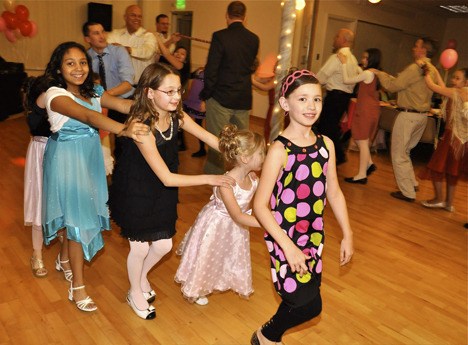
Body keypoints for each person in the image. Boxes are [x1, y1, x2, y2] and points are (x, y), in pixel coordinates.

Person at [108, 63, 235, 320]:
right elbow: (166, 177)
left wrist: (243, 154)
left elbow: (214, 141)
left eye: (178, 90)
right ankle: (135, 291)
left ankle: (141, 277)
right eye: (169, 91)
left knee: (164, 245)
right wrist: (212, 178)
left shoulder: (177, 116)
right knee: (140, 248)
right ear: (149, 93)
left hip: (161, 190)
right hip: (136, 189)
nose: (177, 97)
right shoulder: (141, 125)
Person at [40, 41, 148, 312]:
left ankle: (64, 260)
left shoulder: (94, 90)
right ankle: (77, 287)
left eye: (82, 62)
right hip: (66, 159)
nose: (78, 68)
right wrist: (125, 131)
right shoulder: (55, 94)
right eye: (70, 63)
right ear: (59, 67)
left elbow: (124, 105)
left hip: (89, 158)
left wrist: (156, 103)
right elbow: (89, 117)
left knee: (78, 212)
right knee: (77, 220)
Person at [251, 69, 354, 344]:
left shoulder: (326, 145)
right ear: (285, 104)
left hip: (313, 234)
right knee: (310, 304)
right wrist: (287, 246)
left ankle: (267, 337)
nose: (311, 106)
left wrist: (348, 233)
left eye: (317, 100)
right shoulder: (279, 150)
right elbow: (260, 206)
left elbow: (334, 191)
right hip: (284, 236)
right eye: (303, 99)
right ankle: (266, 335)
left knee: (305, 294)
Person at [175, 124, 265, 306]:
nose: (265, 157)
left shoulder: (253, 178)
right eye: (262, 153)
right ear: (246, 158)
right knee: (207, 255)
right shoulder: (227, 184)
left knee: (225, 255)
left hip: (235, 228)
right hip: (217, 225)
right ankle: (196, 288)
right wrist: (269, 224)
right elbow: (238, 216)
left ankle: (218, 279)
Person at [371, 37, 437, 202]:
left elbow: (394, 86)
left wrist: (379, 73)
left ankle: (407, 192)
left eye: (416, 46)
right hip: (422, 117)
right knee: (405, 151)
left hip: (409, 116)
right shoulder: (433, 70)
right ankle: (412, 183)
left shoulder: (416, 68)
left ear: (423, 51)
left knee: (399, 153)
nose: (413, 49)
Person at [200, 1, 259, 174]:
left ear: (227, 16)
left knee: (217, 142)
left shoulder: (220, 36)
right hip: (243, 97)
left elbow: (211, 69)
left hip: (220, 97)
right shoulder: (254, 39)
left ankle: (215, 179)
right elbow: (250, 66)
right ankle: (239, 177)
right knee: (242, 144)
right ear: (244, 17)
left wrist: (206, 95)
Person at [83, 21, 135, 158]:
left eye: (102, 31)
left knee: (124, 144)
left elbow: (128, 83)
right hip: (98, 105)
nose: (102, 36)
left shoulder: (119, 51)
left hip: (122, 102)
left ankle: (120, 175)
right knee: (98, 143)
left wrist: (104, 96)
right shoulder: (85, 58)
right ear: (87, 39)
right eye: (96, 33)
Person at [418, 67, 468, 212]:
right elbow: (442, 86)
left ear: (466, 81)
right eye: (453, 77)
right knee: (452, 171)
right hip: (461, 140)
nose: (453, 80)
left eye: (457, 78)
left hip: (451, 138)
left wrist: (426, 71)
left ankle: (439, 199)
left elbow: (434, 87)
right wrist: (435, 69)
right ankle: (448, 203)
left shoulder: (458, 92)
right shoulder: (462, 92)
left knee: (436, 167)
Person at [316, 28, 360, 165]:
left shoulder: (337, 57)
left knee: (325, 127)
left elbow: (321, 77)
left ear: (344, 40)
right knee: (330, 127)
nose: (334, 39)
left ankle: (335, 156)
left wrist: (308, 83)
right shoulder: (353, 59)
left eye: (337, 36)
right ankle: (335, 156)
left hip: (335, 97)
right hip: (343, 99)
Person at [22, 76, 52, 278]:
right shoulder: (40, 104)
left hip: (61, 152)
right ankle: (37, 254)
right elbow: (35, 126)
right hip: (41, 152)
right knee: (39, 201)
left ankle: (65, 256)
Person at [338, 48, 382, 184]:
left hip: (365, 110)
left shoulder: (368, 73)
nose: (363, 60)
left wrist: (344, 63)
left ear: (371, 59)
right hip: (373, 110)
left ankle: (361, 175)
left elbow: (347, 80)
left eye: (366, 58)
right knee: (359, 138)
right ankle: (369, 164)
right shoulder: (374, 73)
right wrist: (356, 67)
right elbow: (361, 73)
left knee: (362, 142)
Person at [156, 36, 191, 150]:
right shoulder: (167, 63)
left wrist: (158, 38)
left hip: (175, 100)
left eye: (182, 54)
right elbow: (160, 52)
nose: (178, 54)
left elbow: (166, 54)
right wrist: (170, 41)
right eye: (177, 52)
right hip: (163, 99)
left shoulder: (182, 66)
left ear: (186, 59)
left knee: (175, 121)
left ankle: (177, 144)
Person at [107, 5, 156, 84]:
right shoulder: (116, 34)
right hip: (119, 85)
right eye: (133, 15)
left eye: (139, 16)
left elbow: (147, 52)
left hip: (142, 85)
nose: (137, 18)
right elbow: (107, 49)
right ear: (125, 17)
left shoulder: (148, 36)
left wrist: (127, 50)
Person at [183, 67, 207, 157]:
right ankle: (182, 143)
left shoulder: (213, 73)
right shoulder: (202, 70)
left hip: (199, 103)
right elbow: (189, 75)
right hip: (191, 100)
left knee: (198, 126)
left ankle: (202, 149)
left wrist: (204, 101)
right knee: (180, 119)